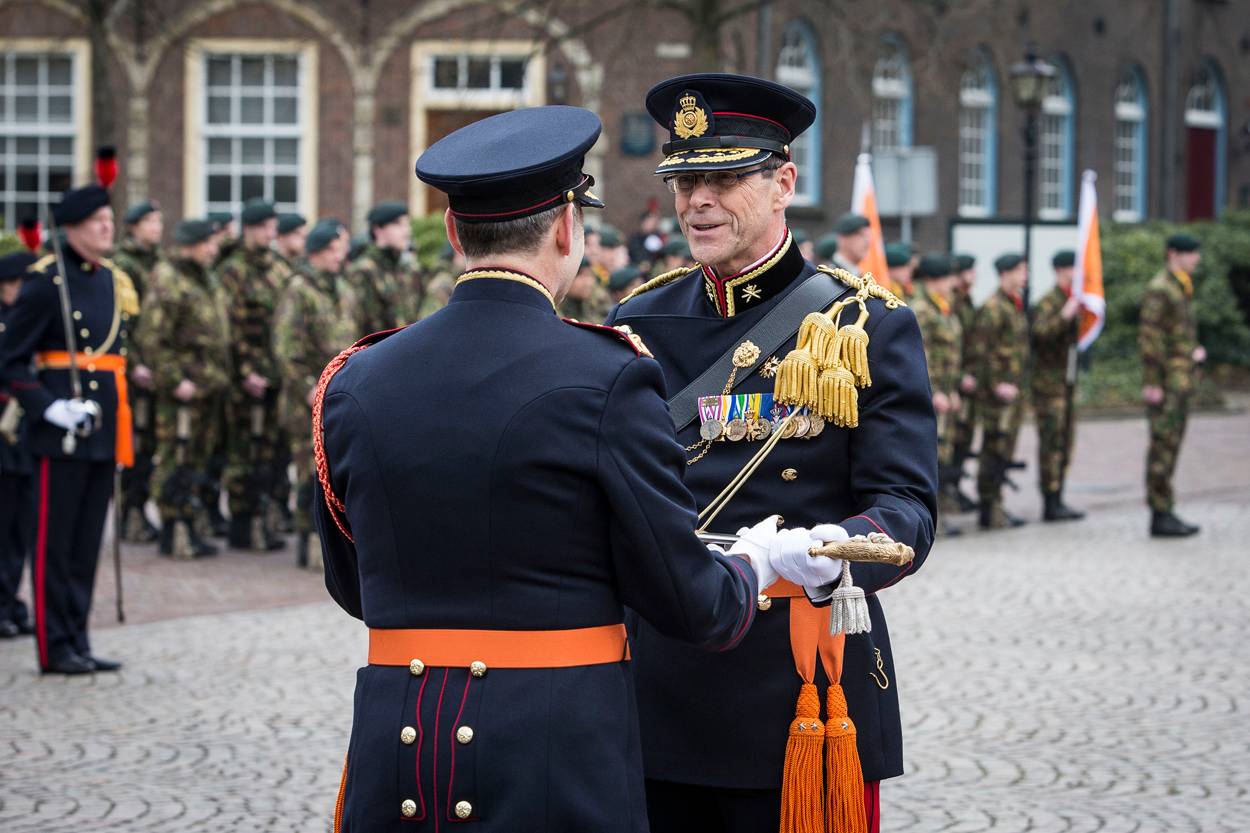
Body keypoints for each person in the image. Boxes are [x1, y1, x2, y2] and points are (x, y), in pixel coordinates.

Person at [315, 104, 827, 833]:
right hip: (553, 746)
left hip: (399, 742)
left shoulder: (353, 379)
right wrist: (752, 562)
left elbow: (351, 583)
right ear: (566, 227)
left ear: (454, 232)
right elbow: (694, 604)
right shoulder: (608, 376)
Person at [606, 73, 936, 833]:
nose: (697, 201)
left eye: (723, 180)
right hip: (659, 676)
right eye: (684, 182)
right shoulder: (637, 320)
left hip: (793, 676)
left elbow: (907, 509)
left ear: (784, 183)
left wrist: (828, 549)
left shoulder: (862, 324)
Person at [0, 185, 139, 674]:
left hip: (101, 428)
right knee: (53, 544)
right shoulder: (46, 282)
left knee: (85, 544)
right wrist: (49, 407)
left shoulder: (110, 281)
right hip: (58, 432)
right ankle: (54, 644)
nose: (107, 227)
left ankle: (77, 637)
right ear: (74, 227)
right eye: (98, 220)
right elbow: (10, 360)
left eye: (109, 218)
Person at [139, 219, 232, 559]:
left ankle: (189, 524)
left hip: (208, 388)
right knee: (176, 458)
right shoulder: (169, 279)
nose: (214, 250)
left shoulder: (205, 277)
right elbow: (152, 338)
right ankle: (173, 528)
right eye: (208, 243)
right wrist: (175, 380)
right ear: (191, 244)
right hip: (183, 393)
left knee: (197, 458)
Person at [274, 219, 352, 569]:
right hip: (306, 399)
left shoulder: (343, 288)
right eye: (333, 249)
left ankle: (331, 541)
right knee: (309, 470)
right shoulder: (299, 289)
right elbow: (286, 348)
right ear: (317, 252)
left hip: (338, 394)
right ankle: (308, 540)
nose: (339, 255)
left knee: (333, 470)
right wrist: (308, 386)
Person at [217, 198, 290, 552]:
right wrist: (246, 370)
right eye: (264, 227)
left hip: (274, 374)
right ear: (248, 229)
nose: (270, 234)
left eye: (273, 227)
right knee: (244, 451)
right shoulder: (232, 270)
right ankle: (242, 523)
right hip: (246, 378)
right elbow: (228, 327)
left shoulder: (278, 268)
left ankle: (263, 519)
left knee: (270, 452)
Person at [1140, 233, 1205, 537]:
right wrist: (1153, 381)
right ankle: (1160, 512)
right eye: (1190, 253)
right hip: (1166, 382)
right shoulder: (1161, 288)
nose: (1196, 258)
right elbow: (1150, 337)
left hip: (1180, 379)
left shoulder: (1181, 286)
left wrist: (1193, 352)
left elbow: (1177, 333)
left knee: (1171, 445)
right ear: (1173, 254)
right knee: (1162, 446)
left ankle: (1165, 509)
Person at [112, 199, 163, 543]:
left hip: (156, 366)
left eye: (159, 222)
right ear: (133, 226)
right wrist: (133, 364)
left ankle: (139, 510)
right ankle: (130, 512)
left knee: (151, 445)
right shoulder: (123, 265)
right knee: (137, 444)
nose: (157, 228)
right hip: (135, 370)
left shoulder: (158, 262)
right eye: (150, 222)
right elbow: (120, 323)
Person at [972, 253, 1029, 530]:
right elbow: (981, 352)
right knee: (994, 448)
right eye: (1020, 270)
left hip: (1013, 393)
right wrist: (996, 384)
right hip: (997, 396)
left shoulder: (1013, 305)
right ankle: (989, 507)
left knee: (1005, 448)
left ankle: (997, 505)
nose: (1025, 276)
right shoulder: (993, 308)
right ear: (1005, 274)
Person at [910, 253, 964, 536]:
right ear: (934, 280)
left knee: (943, 455)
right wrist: (932, 390)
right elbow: (921, 354)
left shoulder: (943, 307)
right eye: (948, 278)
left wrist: (951, 389)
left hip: (945, 394)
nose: (953, 284)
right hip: (930, 395)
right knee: (929, 457)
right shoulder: (921, 309)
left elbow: (950, 353)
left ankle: (938, 517)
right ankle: (930, 521)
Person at [1031, 250, 1085, 522]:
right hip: (1049, 386)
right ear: (1061, 271)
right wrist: (1065, 316)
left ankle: (1059, 495)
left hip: (1068, 384)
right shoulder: (1048, 303)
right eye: (1073, 269)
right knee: (1051, 442)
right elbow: (1040, 335)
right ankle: (1050, 500)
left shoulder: (1076, 301)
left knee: (1066, 442)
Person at [0, 251, 38, 639]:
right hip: (3, 438)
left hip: (24, 440)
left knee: (20, 528)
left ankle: (10, 600)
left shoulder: (25, 321)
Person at [345, 201, 416, 337]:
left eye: (407, 224)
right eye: (398, 224)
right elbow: (360, 324)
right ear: (378, 230)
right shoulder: (363, 271)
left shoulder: (407, 269)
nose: (407, 231)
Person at [950, 252, 980, 511]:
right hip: (954, 380)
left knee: (963, 439)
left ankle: (955, 488)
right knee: (951, 441)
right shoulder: (953, 302)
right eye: (969, 272)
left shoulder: (966, 300)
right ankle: (948, 492)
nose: (974, 276)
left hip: (966, 378)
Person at [559, 257, 613, 322]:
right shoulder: (555, 305)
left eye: (590, 275)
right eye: (582, 276)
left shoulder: (597, 300)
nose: (588, 283)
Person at [830, 211, 871, 276]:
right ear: (842, 238)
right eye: (861, 235)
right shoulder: (830, 274)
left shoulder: (858, 274)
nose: (867, 241)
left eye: (868, 236)